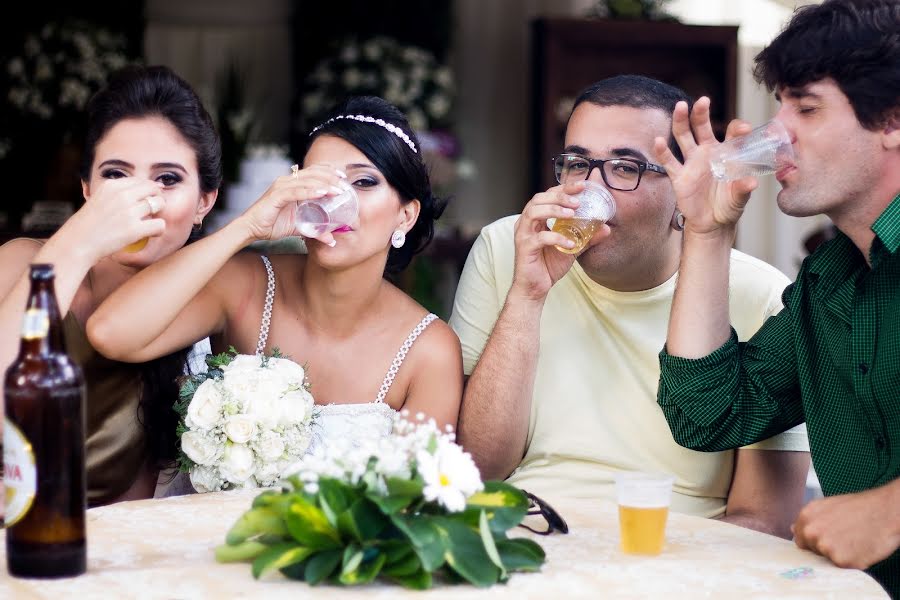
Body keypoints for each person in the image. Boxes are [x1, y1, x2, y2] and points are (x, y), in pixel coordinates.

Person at [449, 74, 810, 537]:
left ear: (684, 192)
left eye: (624, 168)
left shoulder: (760, 294)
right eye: (577, 163)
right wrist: (528, 294)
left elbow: (764, 519)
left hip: (675, 550)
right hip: (528, 532)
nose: (588, 191)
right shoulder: (509, 247)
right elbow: (479, 470)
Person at [654, 0, 899, 594]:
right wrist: (708, 236)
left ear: (892, 120)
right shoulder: (829, 281)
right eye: (779, 106)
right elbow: (708, 414)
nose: (774, 135)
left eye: (806, 108)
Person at [88, 95, 463, 456]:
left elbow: (417, 500)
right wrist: (248, 226)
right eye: (319, 182)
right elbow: (111, 334)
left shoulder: (429, 351)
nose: (335, 200)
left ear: (406, 215)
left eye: (363, 182)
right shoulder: (245, 284)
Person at [0, 65, 219, 506]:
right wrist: (82, 240)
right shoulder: (22, 263)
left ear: (204, 202)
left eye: (168, 178)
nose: (140, 198)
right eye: (116, 175)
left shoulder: (201, 310)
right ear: (86, 188)